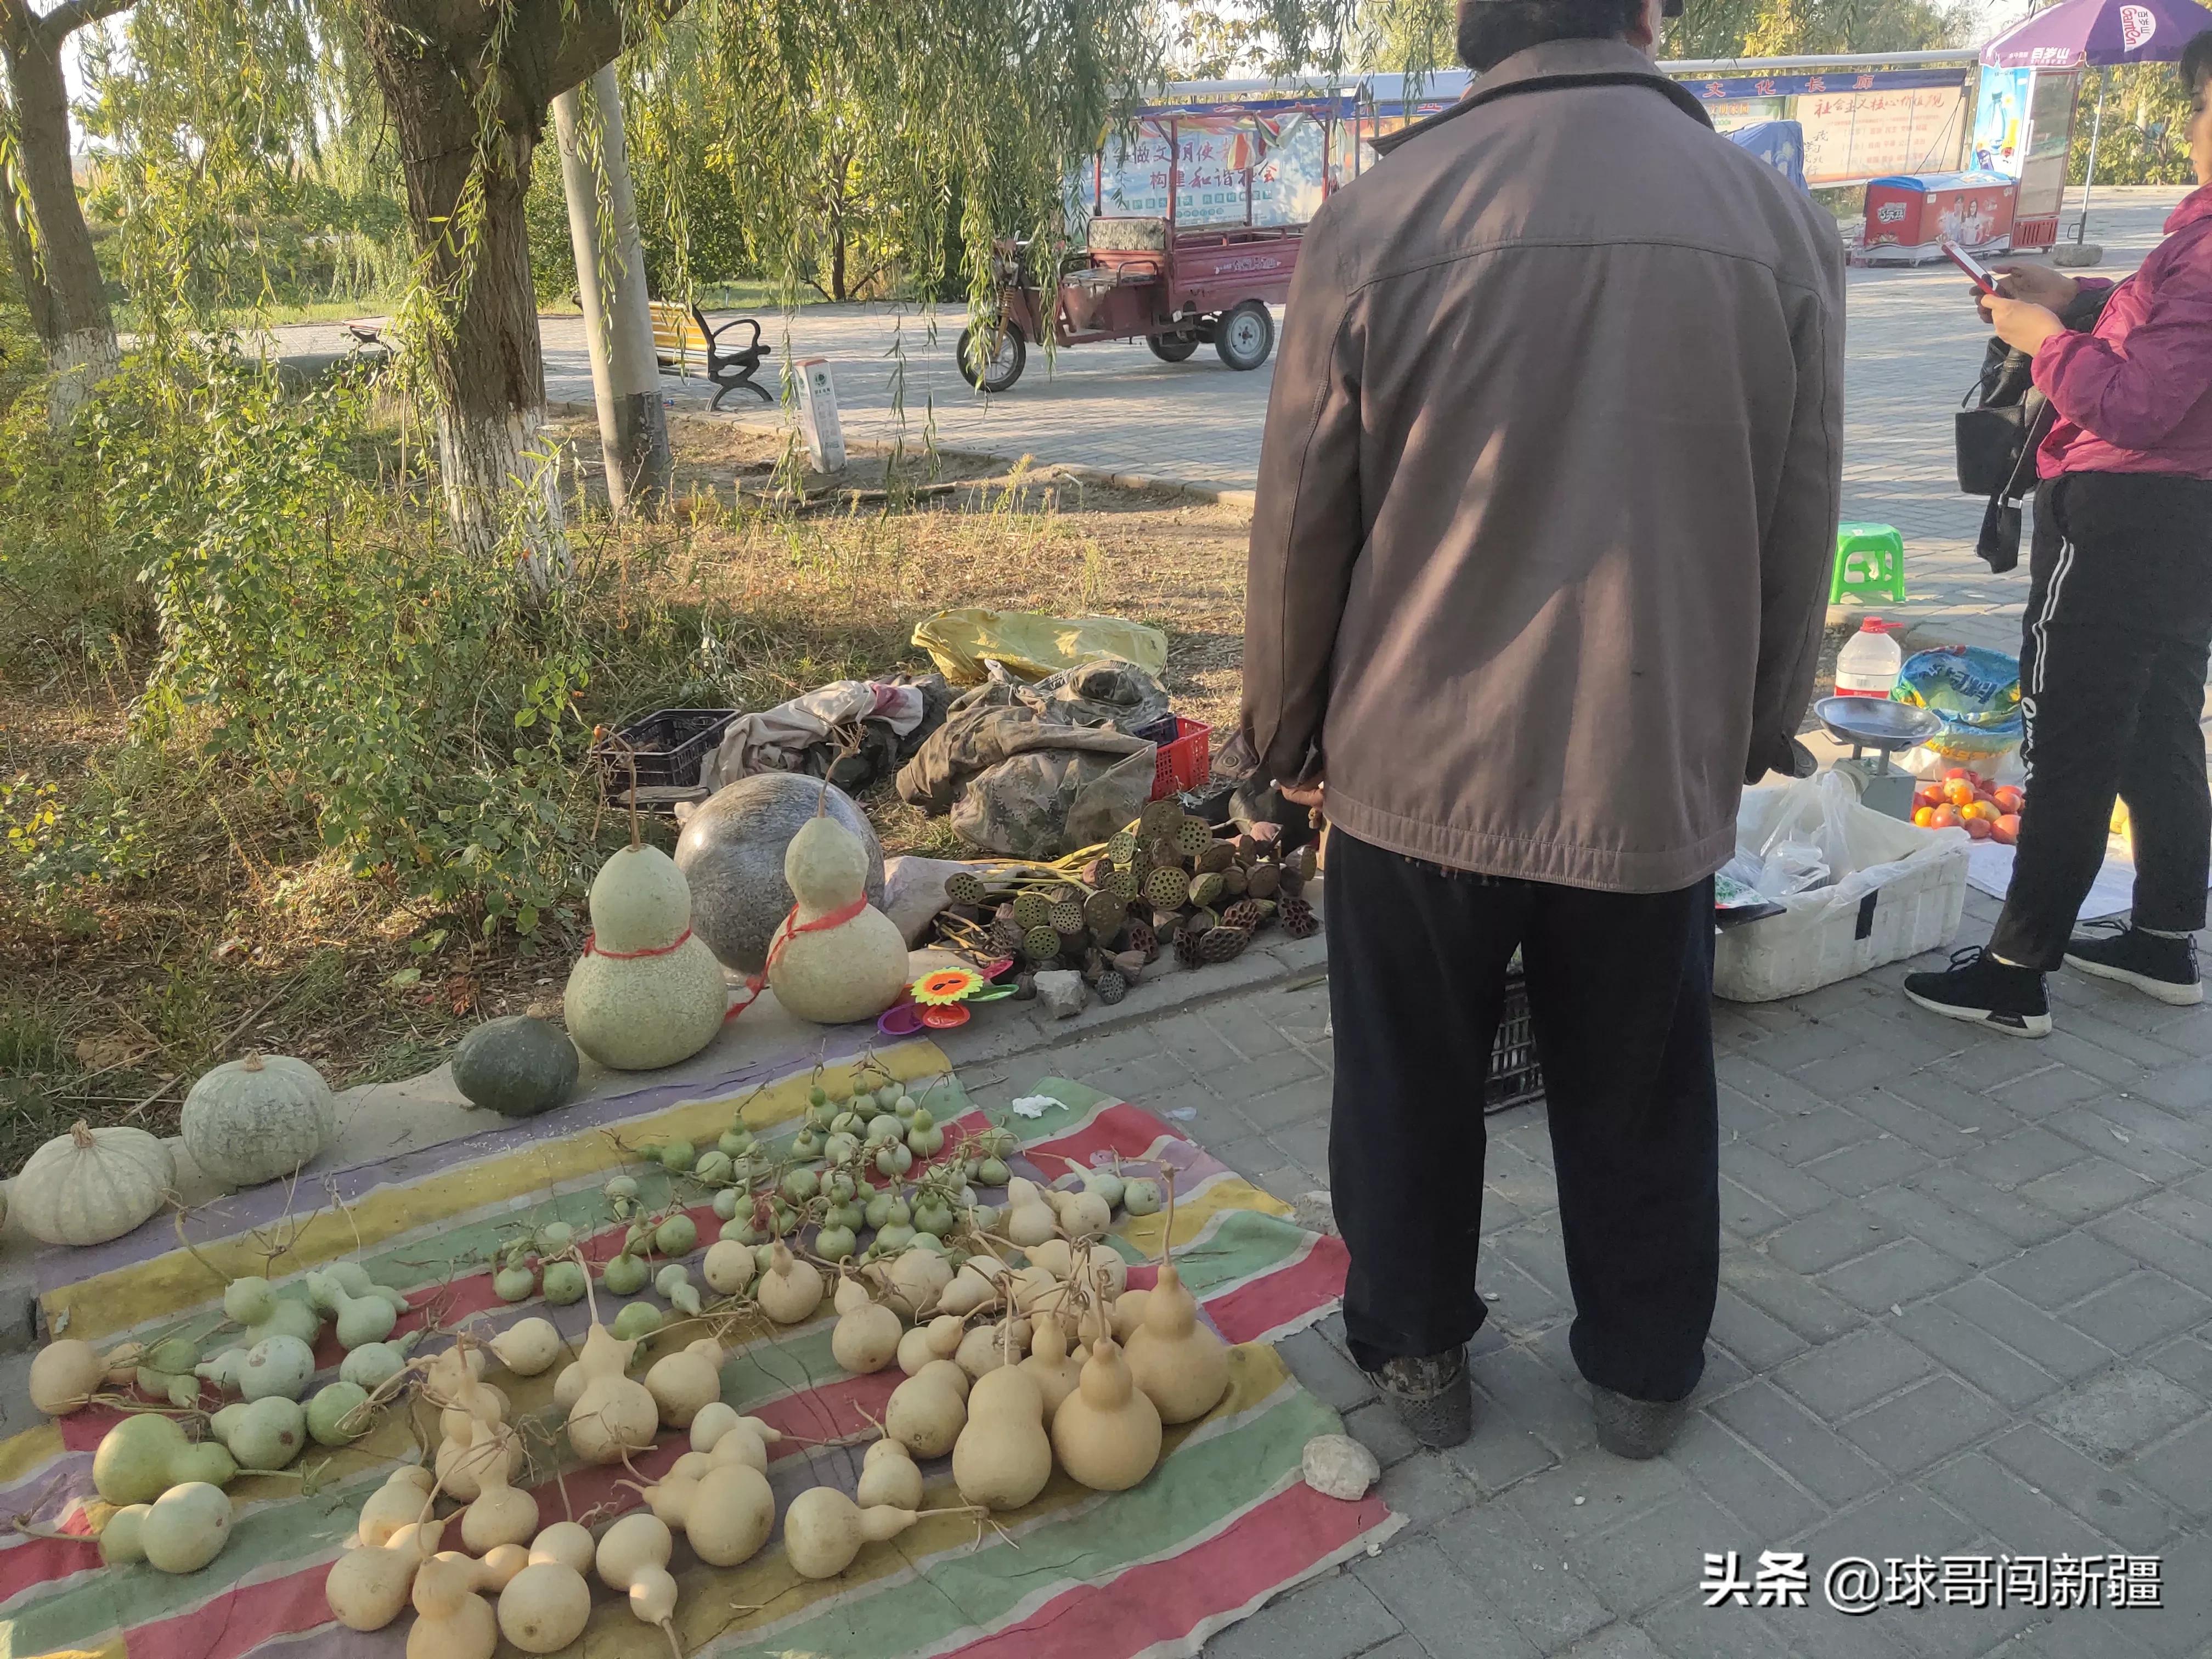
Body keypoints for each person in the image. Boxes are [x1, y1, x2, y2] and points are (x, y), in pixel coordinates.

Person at [1238, 0, 1843, 1454]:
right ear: (1648, 15)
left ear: (1473, 25)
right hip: (1646, 770)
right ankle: (1643, 1379)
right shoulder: (1773, 225)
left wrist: (1283, 736)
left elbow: (1303, 525)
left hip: (1414, 767)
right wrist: (1755, 723)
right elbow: (1796, 523)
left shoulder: (1380, 215)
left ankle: (1419, 1363)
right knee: (1639, 1084)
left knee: (1407, 1080)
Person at [1903, 31, 2212, 1036]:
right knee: (2162, 719)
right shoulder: (2195, 239)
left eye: (2196, 105)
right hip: (2189, 517)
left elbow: (2137, 403)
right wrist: (2074, 298)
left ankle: (2013, 969)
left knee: (2076, 734)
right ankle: (2165, 938)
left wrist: (2043, 342)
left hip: (2122, 511)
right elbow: (2170, 333)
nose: (2190, 126)